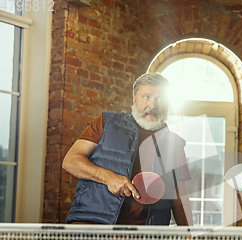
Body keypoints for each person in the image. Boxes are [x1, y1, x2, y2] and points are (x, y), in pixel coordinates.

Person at [63, 73, 192, 226]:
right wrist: (108, 178)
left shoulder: (175, 144)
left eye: (160, 99)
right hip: (92, 230)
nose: (152, 105)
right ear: (134, 97)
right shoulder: (106, 123)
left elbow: (180, 198)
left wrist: (189, 238)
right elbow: (70, 161)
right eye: (146, 97)